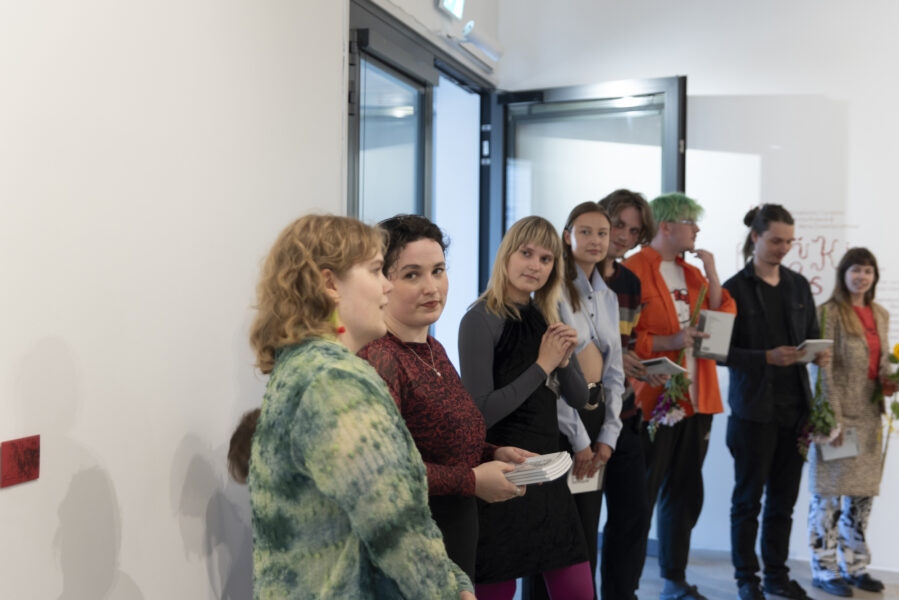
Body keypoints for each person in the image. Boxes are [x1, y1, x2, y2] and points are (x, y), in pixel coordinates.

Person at [233, 214, 475, 600]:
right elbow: (393, 524)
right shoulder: (334, 380)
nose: (386, 286)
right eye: (377, 270)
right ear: (330, 284)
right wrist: (450, 590)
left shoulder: (301, 367)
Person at [358, 214, 532, 581]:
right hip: (412, 544)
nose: (431, 287)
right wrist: (472, 480)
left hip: (455, 532)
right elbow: (383, 472)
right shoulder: (380, 356)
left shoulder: (432, 347)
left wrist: (492, 452)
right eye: (412, 275)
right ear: (382, 282)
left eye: (438, 271)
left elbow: (440, 440)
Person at [459, 215, 593, 600]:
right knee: (496, 591)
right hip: (502, 474)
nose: (535, 265)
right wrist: (543, 366)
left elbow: (579, 398)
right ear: (507, 255)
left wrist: (564, 361)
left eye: (546, 259)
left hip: (548, 473)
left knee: (578, 591)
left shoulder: (548, 316)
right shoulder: (479, 319)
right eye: (526, 253)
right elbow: (480, 414)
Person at [624, 192, 736, 600]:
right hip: (652, 400)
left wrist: (712, 272)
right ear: (667, 226)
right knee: (642, 494)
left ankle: (674, 578)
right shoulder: (632, 270)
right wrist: (670, 340)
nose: (697, 230)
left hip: (696, 399)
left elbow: (719, 321)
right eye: (691, 222)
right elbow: (625, 337)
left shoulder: (692, 274)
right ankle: (627, 584)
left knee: (685, 493)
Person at [722, 204, 830, 600]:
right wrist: (765, 357)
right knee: (747, 501)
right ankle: (746, 579)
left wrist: (818, 353)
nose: (784, 248)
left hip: (796, 411)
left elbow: (811, 333)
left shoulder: (798, 285)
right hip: (753, 412)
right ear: (755, 237)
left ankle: (777, 577)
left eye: (789, 241)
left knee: (783, 503)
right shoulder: (732, 289)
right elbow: (717, 352)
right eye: (776, 241)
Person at [525, 201, 625, 600]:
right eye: (585, 231)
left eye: (602, 233)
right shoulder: (553, 294)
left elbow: (615, 372)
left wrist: (609, 435)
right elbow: (554, 376)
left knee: (586, 528)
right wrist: (580, 440)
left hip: (597, 417)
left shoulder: (608, 297)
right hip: (561, 420)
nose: (595, 240)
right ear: (567, 236)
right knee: (550, 532)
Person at [807, 247, 893, 597]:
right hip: (839, 420)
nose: (862, 277)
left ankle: (854, 567)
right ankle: (824, 570)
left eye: (868, 271)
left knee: (861, 498)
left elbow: (881, 362)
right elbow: (822, 371)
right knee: (828, 497)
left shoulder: (880, 314)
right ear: (843, 274)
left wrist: (891, 379)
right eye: (856, 270)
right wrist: (832, 420)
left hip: (871, 417)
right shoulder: (828, 313)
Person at [598, 189, 665, 600]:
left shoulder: (630, 283)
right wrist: (617, 358)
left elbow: (627, 344)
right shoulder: (566, 277)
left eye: (634, 231)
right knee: (577, 525)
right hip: (579, 421)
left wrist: (637, 364)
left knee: (633, 517)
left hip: (623, 414)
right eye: (618, 224)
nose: (623, 236)